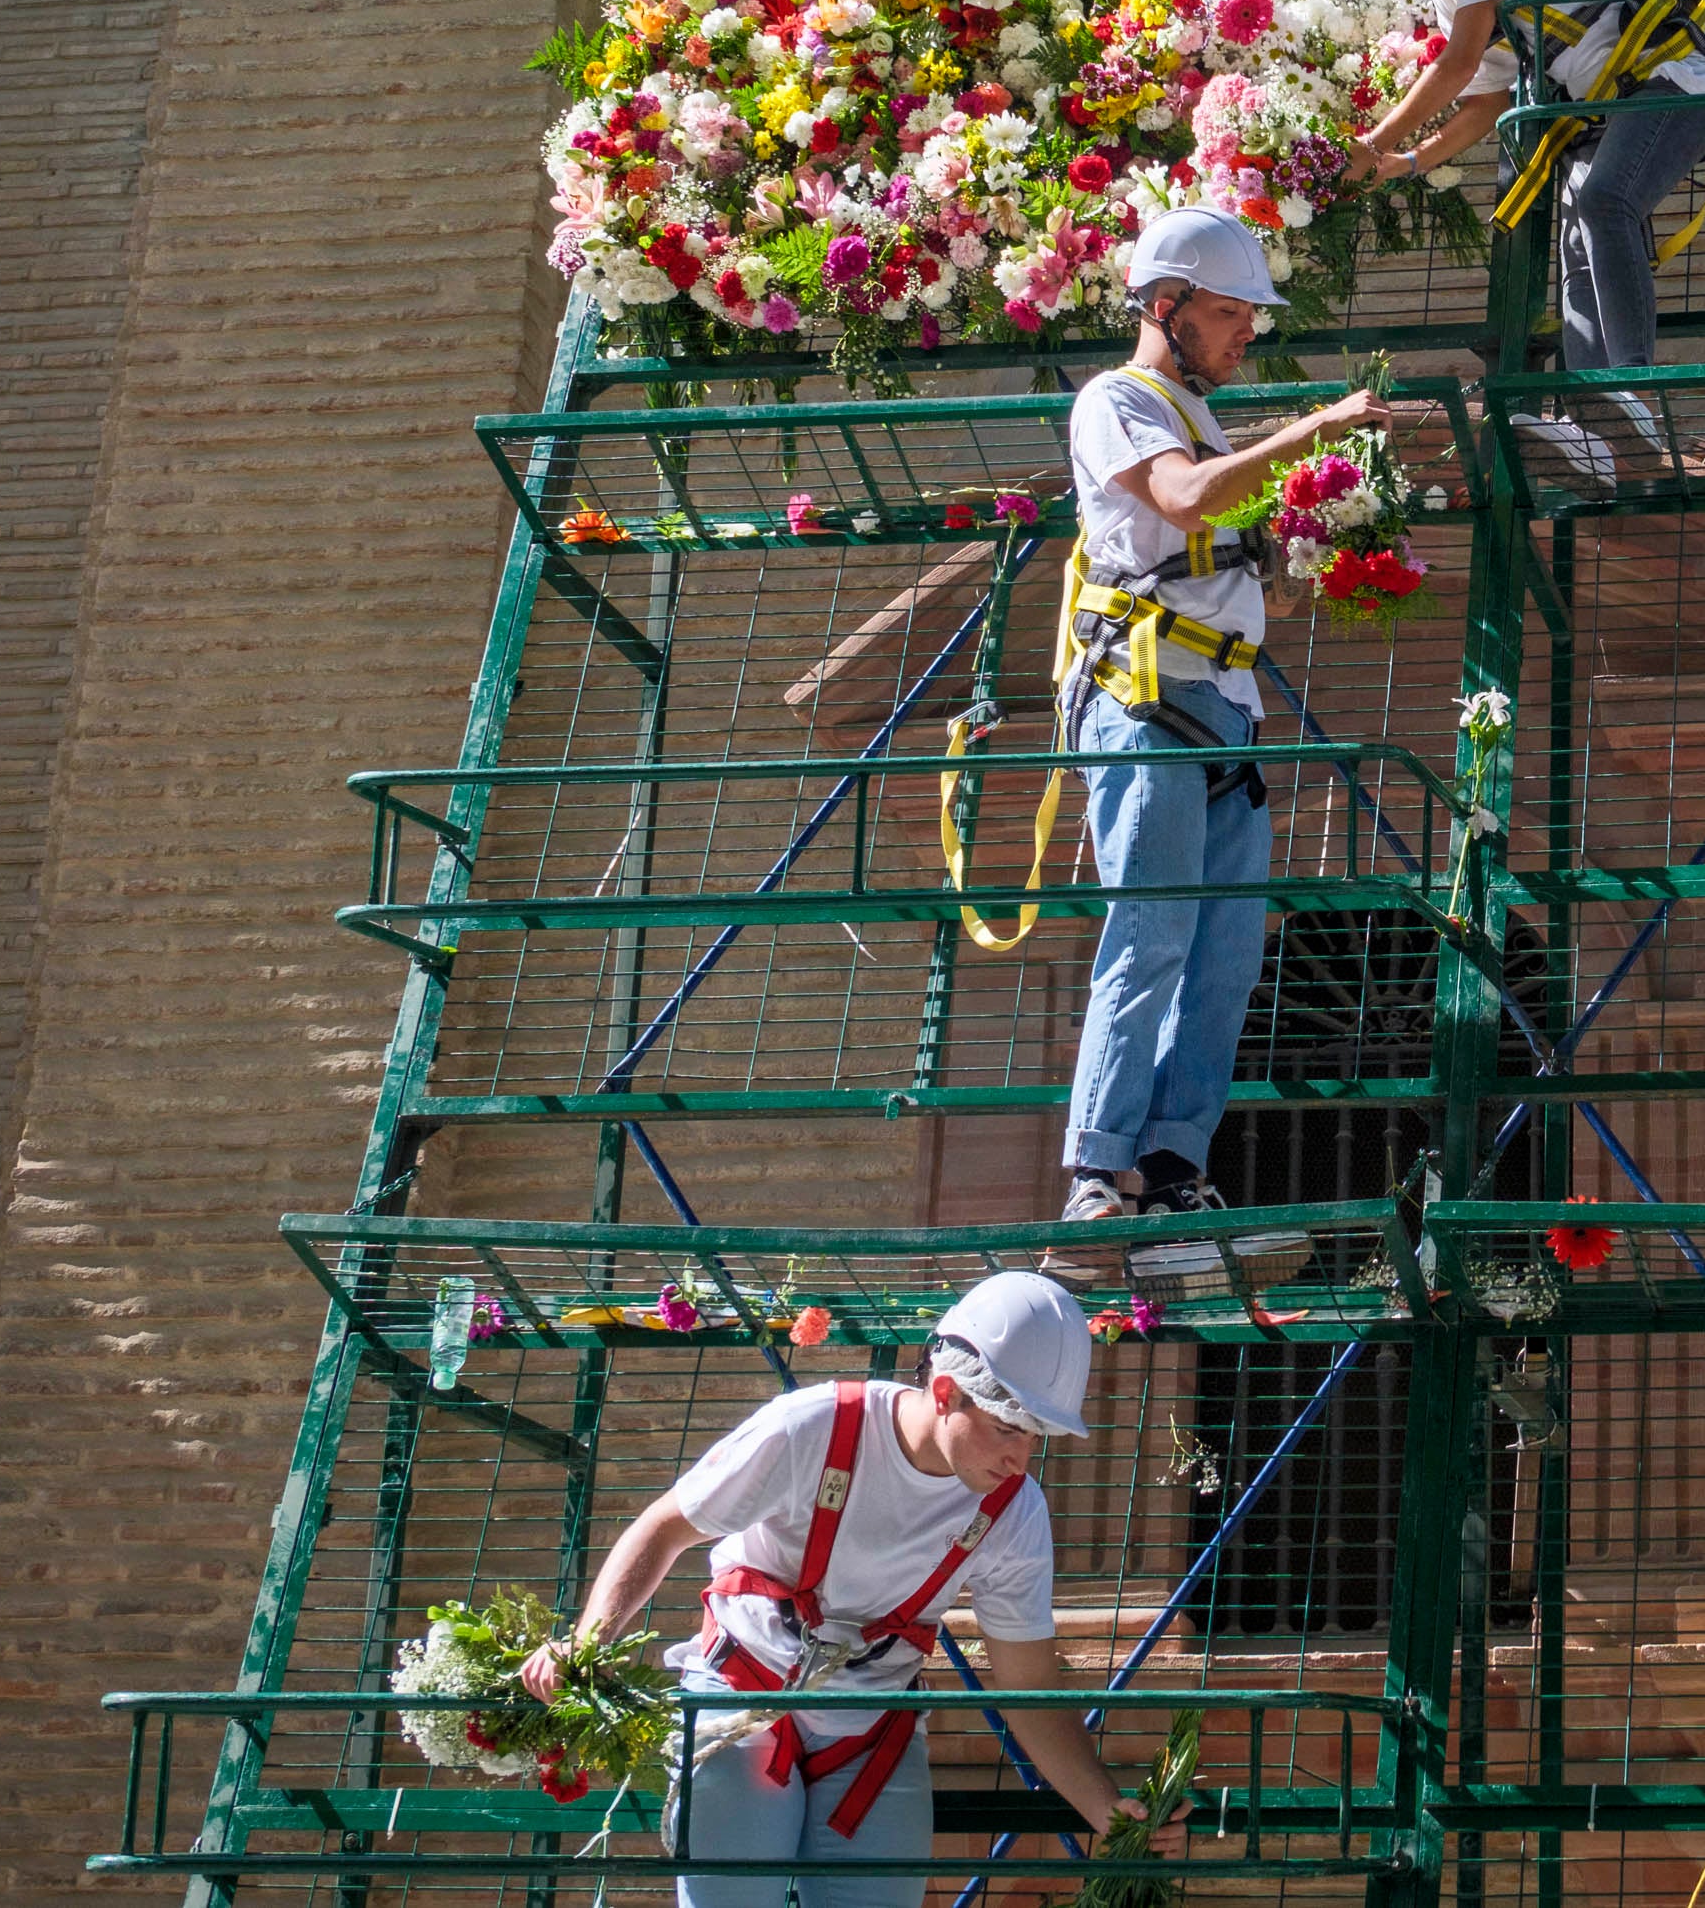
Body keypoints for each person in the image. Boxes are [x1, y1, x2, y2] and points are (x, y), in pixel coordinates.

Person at [521, 1271, 1148, 1906]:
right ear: (945, 1391)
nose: (1022, 1459)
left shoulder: (1014, 1511)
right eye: (1009, 1428)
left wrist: (1110, 1810)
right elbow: (664, 1528)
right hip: (744, 1697)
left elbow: (1028, 1686)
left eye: (1037, 1436)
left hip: (874, 1729)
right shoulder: (816, 1426)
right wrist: (585, 1645)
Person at [1052, 206, 1381, 1271]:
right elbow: (1184, 503)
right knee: (1149, 934)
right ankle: (1097, 1176)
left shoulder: (1199, 419)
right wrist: (1314, 437)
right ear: (1165, 307)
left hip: (1219, 709)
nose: (1247, 332)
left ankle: (1174, 1170)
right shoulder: (1119, 401)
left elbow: (1228, 555)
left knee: (1226, 956)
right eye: (1231, 312)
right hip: (1144, 702)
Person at [1313, 0, 1705, 380]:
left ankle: (1631, 386)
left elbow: (1458, 65)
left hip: (1681, 81)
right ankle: (1597, 426)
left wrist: (1373, 144)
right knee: (1579, 234)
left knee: (1604, 202)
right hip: (1625, 104)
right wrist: (1408, 162)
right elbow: (1485, 102)